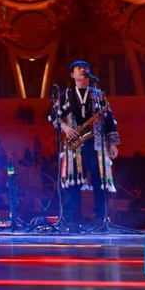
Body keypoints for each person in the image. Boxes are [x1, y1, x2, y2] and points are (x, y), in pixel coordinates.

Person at [51, 60, 119, 228]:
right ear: (72, 75)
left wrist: (113, 143)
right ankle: (69, 219)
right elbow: (54, 116)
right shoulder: (66, 94)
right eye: (78, 68)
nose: (82, 69)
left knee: (100, 182)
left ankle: (100, 219)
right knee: (73, 183)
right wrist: (65, 127)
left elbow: (109, 119)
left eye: (85, 67)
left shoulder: (98, 94)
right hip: (75, 145)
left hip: (96, 145)